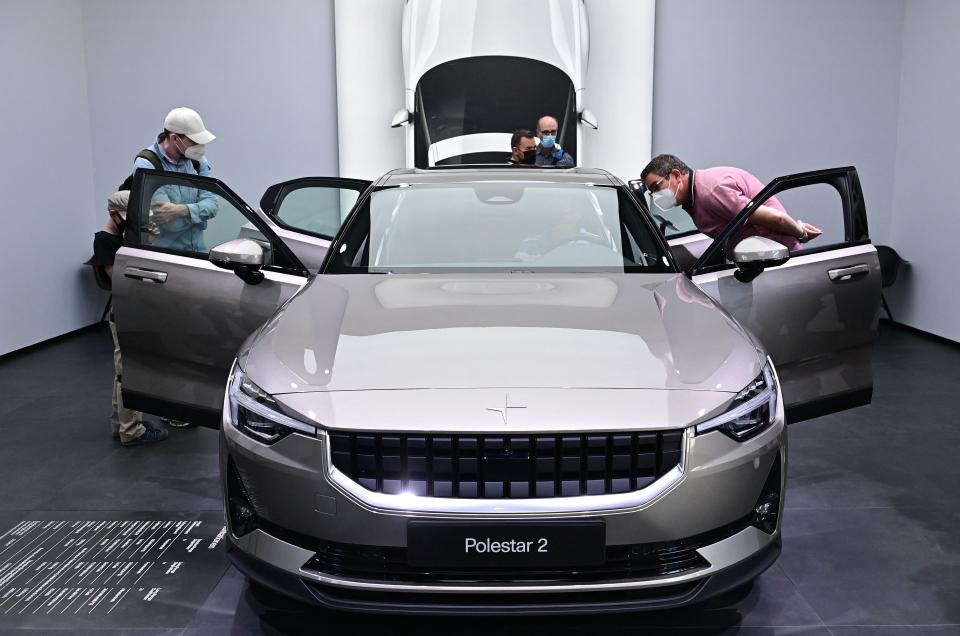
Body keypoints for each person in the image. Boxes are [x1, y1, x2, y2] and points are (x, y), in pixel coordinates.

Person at [91, 192, 169, 446]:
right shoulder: (104, 241)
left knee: (124, 370)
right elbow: (119, 278)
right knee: (129, 371)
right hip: (125, 309)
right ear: (113, 213)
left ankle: (122, 424)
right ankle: (130, 429)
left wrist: (149, 241)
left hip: (134, 308)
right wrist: (135, 243)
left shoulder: (126, 238)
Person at [640, 154, 821, 255]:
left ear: (676, 175)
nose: (656, 196)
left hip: (777, 259)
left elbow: (777, 218)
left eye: (657, 187)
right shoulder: (695, 196)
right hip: (758, 259)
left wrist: (801, 233)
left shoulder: (713, 191)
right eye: (651, 192)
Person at [133, 107, 218, 253]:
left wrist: (181, 210)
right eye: (194, 141)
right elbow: (170, 224)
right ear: (174, 138)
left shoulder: (197, 161)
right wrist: (198, 215)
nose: (199, 147)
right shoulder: (148, 165)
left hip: (199, 251)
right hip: (168, 257)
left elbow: (213, 206)